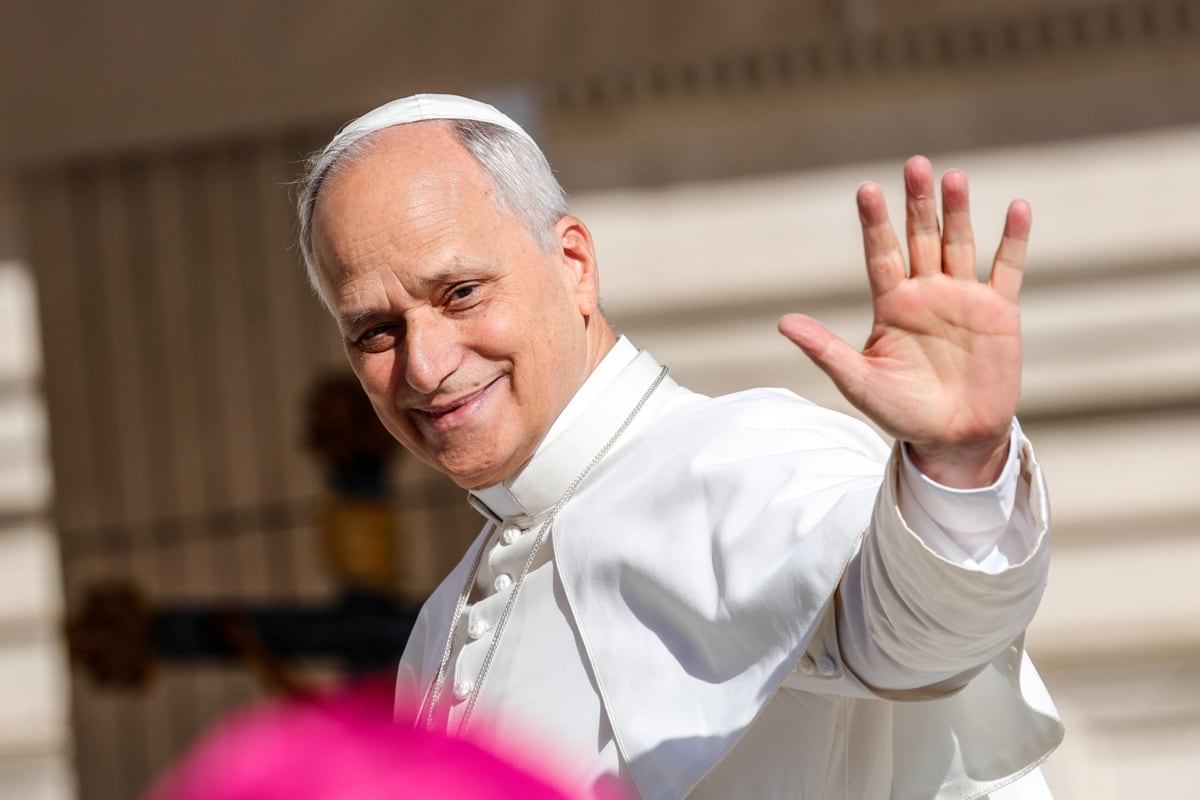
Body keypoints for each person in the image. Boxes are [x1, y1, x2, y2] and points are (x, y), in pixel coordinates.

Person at [296, 93, 1063, 799]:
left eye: (460, 293)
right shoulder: (437, 633)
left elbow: (921, 633)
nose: (425, 367)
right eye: (376, 331)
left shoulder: (742, 458)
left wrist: (957, 462)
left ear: (574, 266)